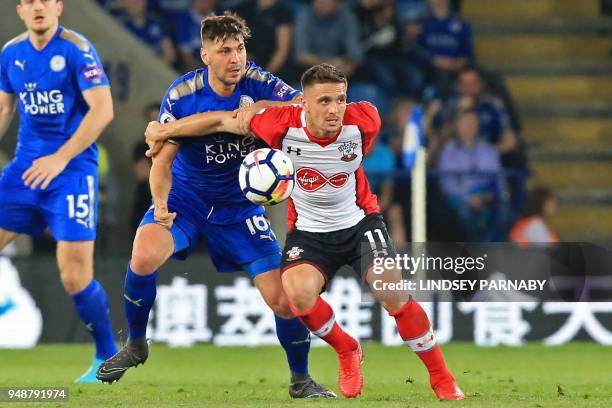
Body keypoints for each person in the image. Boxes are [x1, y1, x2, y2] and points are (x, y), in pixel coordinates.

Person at [144, 63, 465, 400]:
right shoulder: (280, 125)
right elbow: (221, 120)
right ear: (304, 104)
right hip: (309, 232)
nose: (335, 109)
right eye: (324, 101)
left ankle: (442, 378)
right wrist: (166, 130)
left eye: (340, 100)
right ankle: (346, 349)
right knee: (295, 295)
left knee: (391, 291)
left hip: (359, 222)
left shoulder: (365, 120)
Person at [96, 13, 335, 399]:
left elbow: (301, 107)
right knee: (142, 255)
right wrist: (159, 202)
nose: (235, 58)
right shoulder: (182, 94)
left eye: (239, 48)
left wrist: (257, 110)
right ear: (205, 54)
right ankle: (136, 344)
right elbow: (162, 158)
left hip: (240, 211)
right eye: (224, 50)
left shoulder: (258, 83)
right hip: (186, 201)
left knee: (285, 301)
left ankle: (301, 379)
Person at [0, 0, 117, 382]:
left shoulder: (76, 49)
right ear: (20, 10)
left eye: (44, 1)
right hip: (25, 170)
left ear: (58, 7)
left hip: (71, 172)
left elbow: (103, 110)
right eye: (29, 1)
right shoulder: (12, 53)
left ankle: (106, 356)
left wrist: (61, 158)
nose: (38, 7)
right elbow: (4, 111)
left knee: (73, 276)